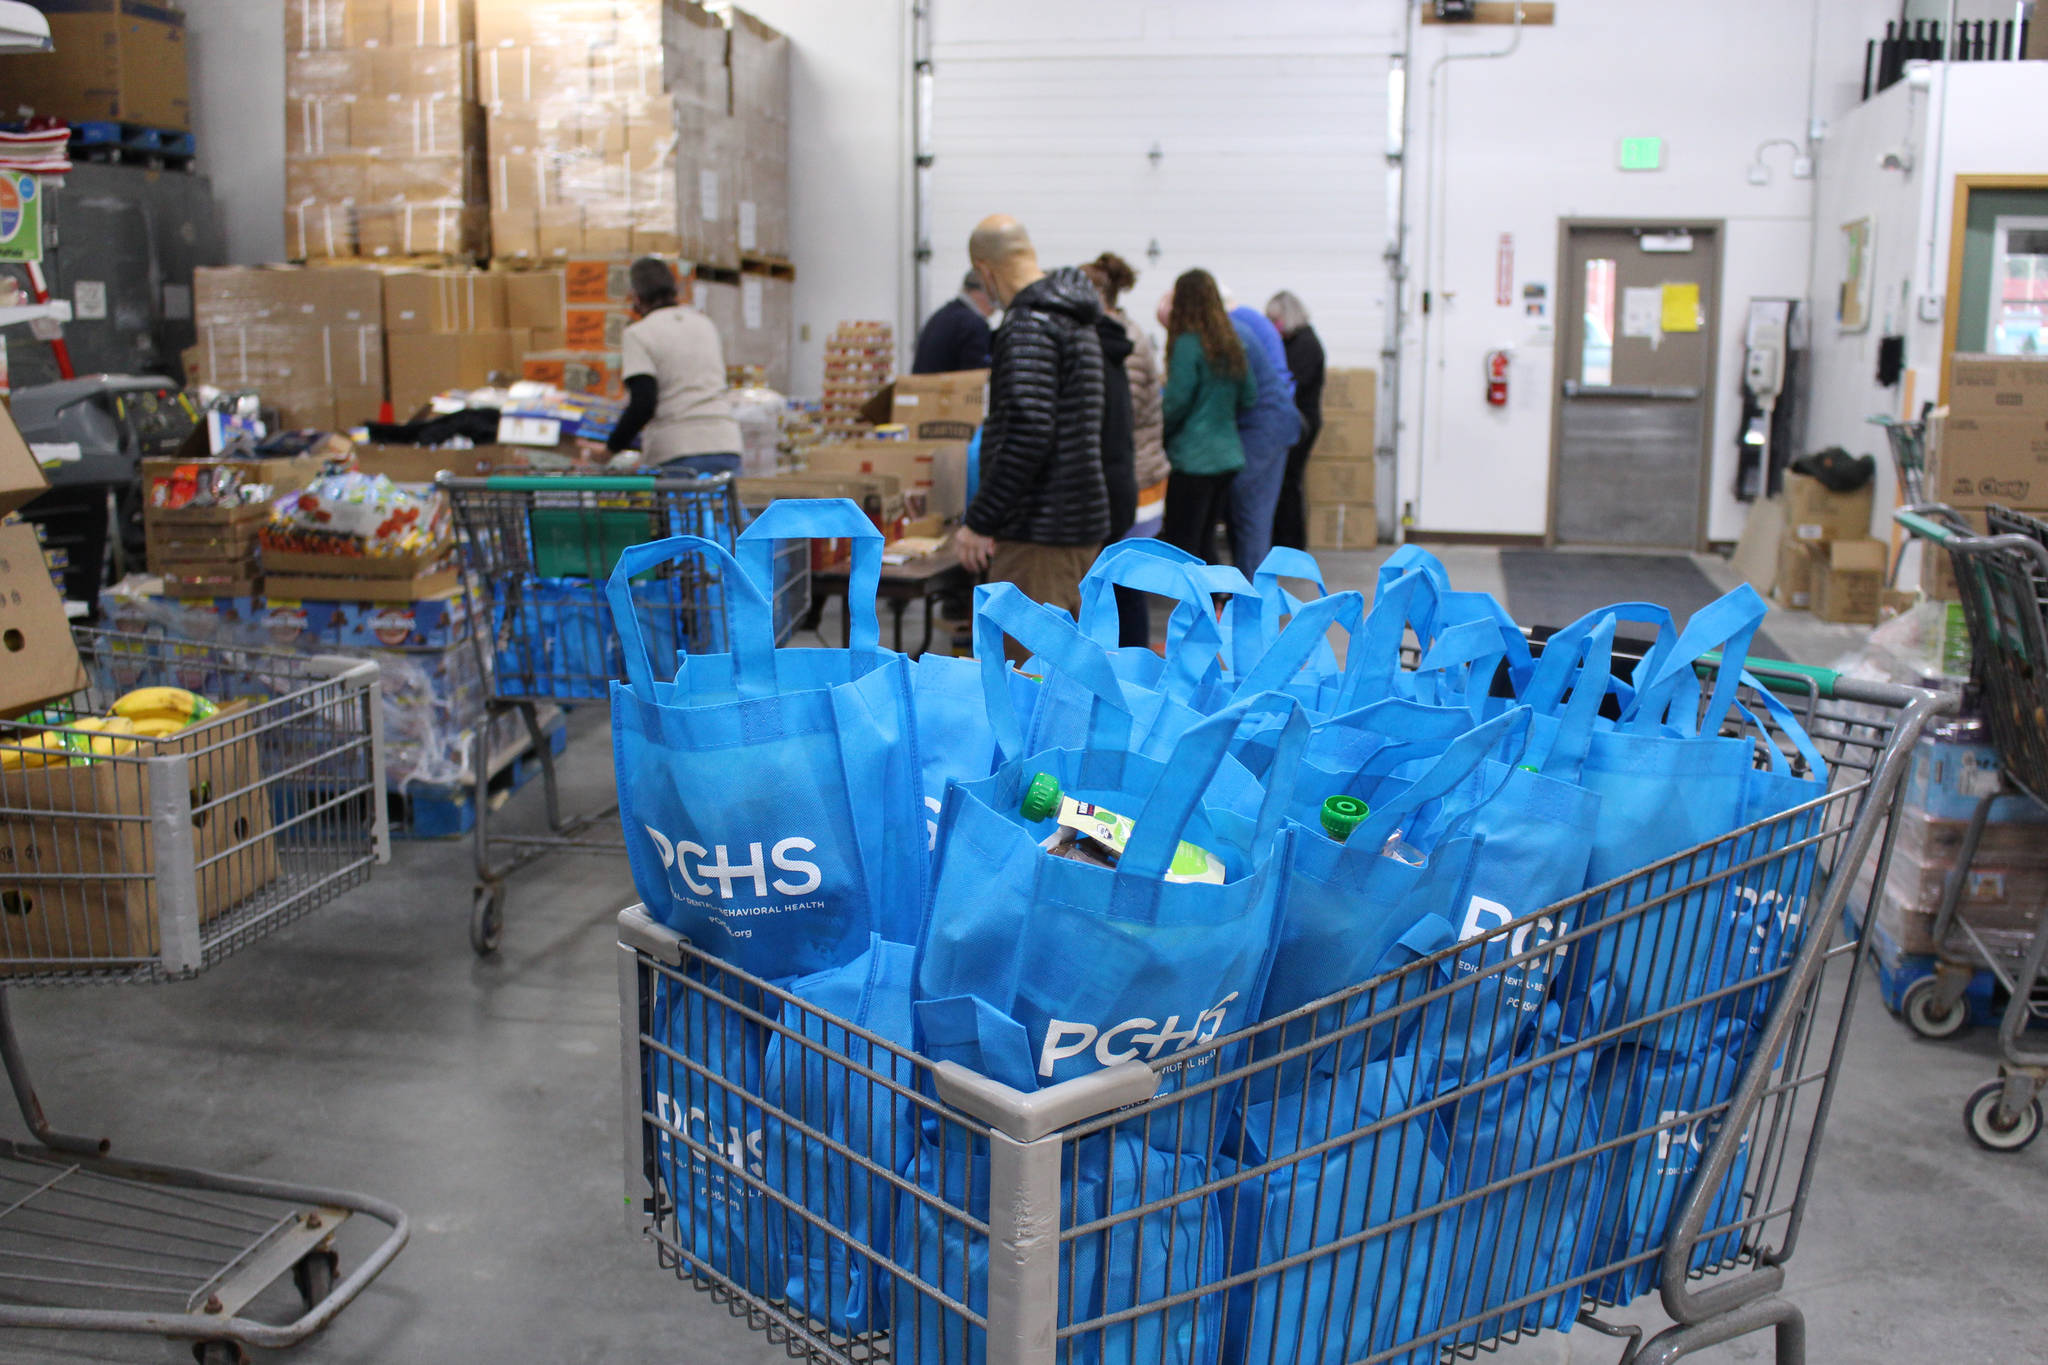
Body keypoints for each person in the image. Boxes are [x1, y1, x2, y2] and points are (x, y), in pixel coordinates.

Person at [953, 215, 1108, 630]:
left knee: (1024, 678)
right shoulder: (1077, 319)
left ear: (985, 271)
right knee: (1062, 676)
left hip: (1038, 535)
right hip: (1077, 526)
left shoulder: (1027, 325)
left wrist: (979, 521)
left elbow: (1028, 433)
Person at [605, 257, 742, 476]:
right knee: (719, 510)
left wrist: (612, 447)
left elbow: (643, 404)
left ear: (637, 297)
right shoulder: (705, 324)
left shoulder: (638, 334)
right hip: (725, 443)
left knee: (680, 511)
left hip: (678, 449)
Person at [1158, 269, 1255, 566]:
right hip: (1226, 458)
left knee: (1184, 544)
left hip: (1193, 459)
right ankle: (1218, 602)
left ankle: (1198, 607)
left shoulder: (1188, 343)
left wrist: (1156, 432)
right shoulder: (1231, 343)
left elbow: (1175, 402)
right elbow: (1249, 396)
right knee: (1205, 540)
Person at [1080, 261, 1147, 648]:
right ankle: (1135, 672)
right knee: (1121, 580)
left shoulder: (1093, 351)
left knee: (1107, 590)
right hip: (1121, 476)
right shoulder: (1118, 343)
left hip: (1103, 482)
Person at [1222, 297, 1301, 573]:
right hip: (1273, 422)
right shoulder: (1243, 322)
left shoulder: (1233, 328)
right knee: (1251, 518)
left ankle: (1253, 606)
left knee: (1252, 518)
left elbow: (1244, 391)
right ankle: (1250, 597)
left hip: (1266, 426)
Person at [1267, 290, 1326, 551]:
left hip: (1301, 423)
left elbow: (1291, 383)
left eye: (1274, 320)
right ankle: (1285, 541)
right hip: (1297, 421)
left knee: (1289, 482)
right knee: (1286, 482)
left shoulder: (1304, 344)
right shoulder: (1295, 342)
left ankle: (1290, 544)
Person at [912, 269, 997, 374]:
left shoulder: (942, 315)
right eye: (994, 294)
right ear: (981, 292)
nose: (996, 304)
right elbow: (976, 379)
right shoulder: (974, 325)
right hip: (945, 389)